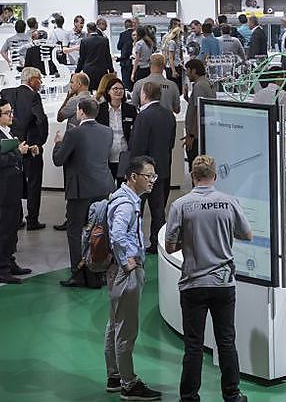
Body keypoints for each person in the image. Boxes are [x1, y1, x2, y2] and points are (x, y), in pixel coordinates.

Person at [165, 155, 252, 402]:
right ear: (214, 176)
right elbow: (247, 234)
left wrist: (189, 240)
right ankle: (232, 395)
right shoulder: (229, 202)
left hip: (193, 284)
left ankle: (189, 397)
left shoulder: (180, 205)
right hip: (223, 283)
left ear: (193, 176)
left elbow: (170, 246)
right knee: (226, 342)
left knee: (193, 345)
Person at [102, 155, 163, 400]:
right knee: (126, 329)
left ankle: (114, 376)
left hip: (116, 270)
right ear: (133, 177)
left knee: (114, 324)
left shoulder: (122, 198)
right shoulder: (127, 205)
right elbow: (117, 234)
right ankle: (129, 383)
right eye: (148, 176)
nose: (152, 180)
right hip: (126, 272)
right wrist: (128, 261)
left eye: (154, 176)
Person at [52, 97, 115, 288]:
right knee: (100, 229)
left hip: (80, 191)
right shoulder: (108, 131)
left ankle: (78, 274)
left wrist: (58, 143)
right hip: (103, 187)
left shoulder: (73, 133)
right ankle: (100, 271)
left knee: (75, 231)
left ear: (80, 111)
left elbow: (58, 160)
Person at [0, 98, 33, 284]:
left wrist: (26, 151)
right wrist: (19, 152)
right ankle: (1, 269)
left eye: (11, 112)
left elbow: (11, 157)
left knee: (12, 229)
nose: (11, 115)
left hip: (12, 190)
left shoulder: (7, 132)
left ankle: (9, 261)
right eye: (7, 113)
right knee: (3, 231)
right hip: (2, 192)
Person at [129, 81, 177, 254]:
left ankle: (134, 242)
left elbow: (137, 146)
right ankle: (158, 243)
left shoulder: (143, 116)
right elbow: (171, 143)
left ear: (144, 95)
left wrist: (132, 170)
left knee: (137, 209)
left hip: (142, 172)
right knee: (158, 211)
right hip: (162, 169)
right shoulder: (169, 115)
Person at [1, 67, 49, 230]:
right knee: (34, 183)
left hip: (11, 145)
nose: (41, 82)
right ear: (31, 80)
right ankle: (32, 220)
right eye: (39, 79)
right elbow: (41, 119)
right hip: (30, 145)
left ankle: (17, 218)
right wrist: (40, 142)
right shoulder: (33, 96)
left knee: (14, 183)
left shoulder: (6, 93)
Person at [96, 76, 138, 182]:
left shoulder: (130, 109)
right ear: (108, 91)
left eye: (121, 89)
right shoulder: (100, 110)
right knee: (107, 185)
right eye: (115, 88)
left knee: (123, 184)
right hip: (106, 155)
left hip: (124, 154)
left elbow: (136, 130)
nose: (119, 91)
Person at [183, 58, 214, 166]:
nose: (187, 74)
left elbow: (198, 111)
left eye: (188, 70)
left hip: (197, 136)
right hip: (201, 133)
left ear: (194, 71)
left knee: (195, 167)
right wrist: (188, 99)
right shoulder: (206, 83)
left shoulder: (199, 86)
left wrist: (191, 135)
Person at [77, 22, 114, 91]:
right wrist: (111, 69)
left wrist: (77, 71)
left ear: (88, 29)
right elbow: (107, 56)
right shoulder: (104, 40)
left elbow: (82, 58)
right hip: (101, 70)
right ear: (96, 28)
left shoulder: (84, 41)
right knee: (102, 90)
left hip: (88, 71)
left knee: (89, 90)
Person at [162, 26, 184, 91]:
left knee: (177, 87)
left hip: (176, 66)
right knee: (175, 87)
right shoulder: (172, 42)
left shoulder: (176, 43)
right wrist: (174, 71)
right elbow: (171, 57)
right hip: (173, 67)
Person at [116, 19, 135, 90]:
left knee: (126, 82)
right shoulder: (136, 34)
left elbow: (119, 47)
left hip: (124, 62)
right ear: (132, 25)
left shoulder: (122, 34)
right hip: (134, 61)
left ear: (125, 26)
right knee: (134, 81)